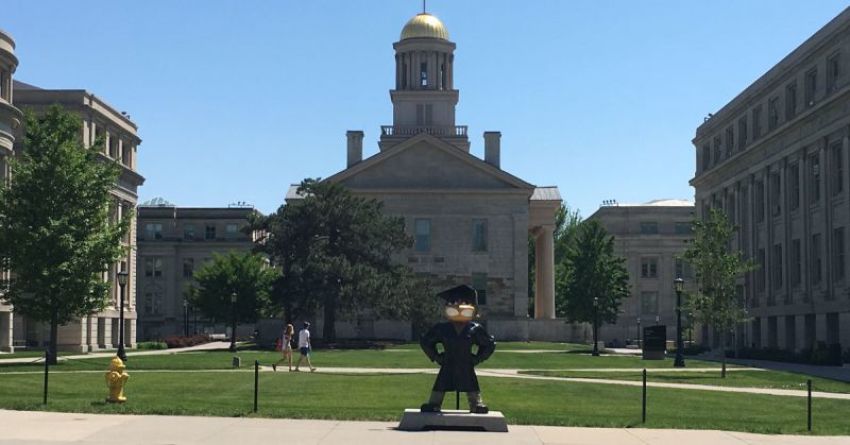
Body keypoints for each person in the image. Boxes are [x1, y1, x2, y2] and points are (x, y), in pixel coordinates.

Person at [419, 284, 495, 414]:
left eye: (463, 303)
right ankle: (434, 403)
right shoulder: (442, 328)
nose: (459, 307)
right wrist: (437, 356)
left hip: (466, 362)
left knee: (471, 383)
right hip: (448, 361)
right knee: (442, 383)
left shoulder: (474, 329)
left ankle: (475, 403)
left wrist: (477, 358)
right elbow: (426, 342)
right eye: (454, 303)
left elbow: (489, 344)